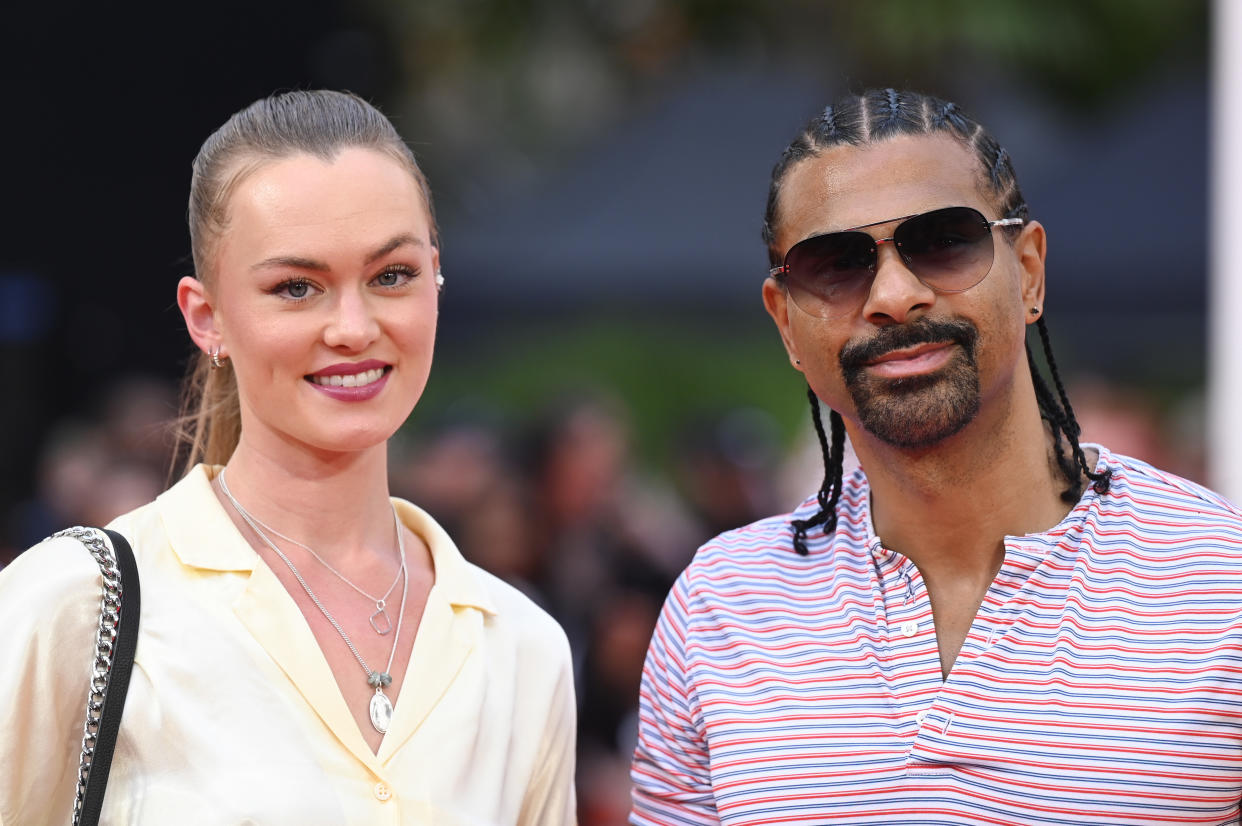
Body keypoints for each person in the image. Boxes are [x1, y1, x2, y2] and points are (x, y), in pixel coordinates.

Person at [630, 88, 1242, 825]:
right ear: (785, 323)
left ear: (1030, 270)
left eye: (944, 241)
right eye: (835, 263)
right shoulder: (718, 607)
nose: (894, 294)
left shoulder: (1219, 583)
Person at [0, 90, 576, 825]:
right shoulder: (75, 605)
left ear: (436, 274)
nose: (352, 327)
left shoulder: (522, 649)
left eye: (390, 275)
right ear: (207, 318)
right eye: (296, 288)